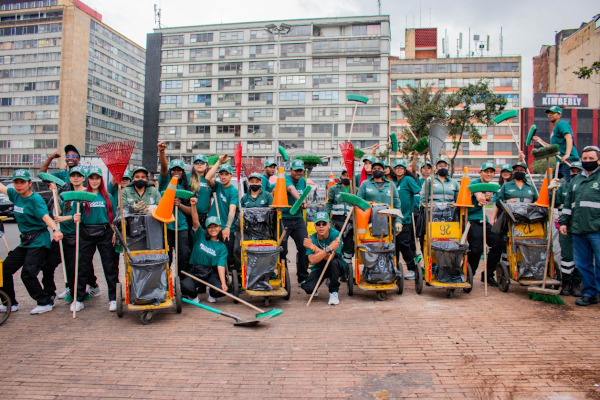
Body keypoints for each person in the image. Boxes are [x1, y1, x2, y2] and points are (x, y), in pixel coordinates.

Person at [0, 170, 63, 315]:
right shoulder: (15, 194)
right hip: (26, 242)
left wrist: (55, 230)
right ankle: (9, 302)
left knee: (27, 274)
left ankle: (44, 302)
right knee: (4, 270)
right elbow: (2, 187)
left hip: (39, 241)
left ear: (29, 183)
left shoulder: (35, 199)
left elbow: (45, 216)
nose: (19, 185)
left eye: (22, 182)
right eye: (16, 182)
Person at [71, 166, 118, 313]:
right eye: (92, 178)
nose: (94, 181)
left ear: (101, 180)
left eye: (97, 178)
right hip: (86, 233)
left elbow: (113, 218)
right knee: (83, 266)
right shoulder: (81, 195)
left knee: (110, 267)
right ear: (88, 179)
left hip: (104, 233)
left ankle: (113, 298)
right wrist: (75, 217)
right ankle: (78, 299)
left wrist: (115, 233)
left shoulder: (107, 196)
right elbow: (74, 215)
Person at [559, 146, 600, 306]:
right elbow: (568, 204)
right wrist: (563, 222)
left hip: (597, 228)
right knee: (583, 264)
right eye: (585, 159)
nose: (587, 161)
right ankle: (589, 294)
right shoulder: (576, 180)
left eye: (591, 158)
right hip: (578, 229)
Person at [46, 166, 87, 303]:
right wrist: (55, 194)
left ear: (83, 178)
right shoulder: (67, 195)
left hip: (76, 237)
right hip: (62, 235)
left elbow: (82, 217)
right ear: (70, 178)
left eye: (78, 175)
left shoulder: (86, 194)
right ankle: (49, 293)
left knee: (74, 267)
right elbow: (58, 213)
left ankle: (77, 295)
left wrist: (67, 218)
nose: (75, 178)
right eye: (73, 175)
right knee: (48, 264)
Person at [181, 198, 228, 303]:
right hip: (195, 271)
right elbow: (195, 221)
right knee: (184, 285)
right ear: (206, 228)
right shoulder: (200, 235)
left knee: (221, 289)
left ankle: (212, 294)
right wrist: (193, 206)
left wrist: (223, 283)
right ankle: (193, 297)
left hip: (210, 272)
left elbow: (220, 266)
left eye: (215, 226)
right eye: (210, 227)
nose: (213, 229)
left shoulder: (222, 247)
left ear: (220, 228)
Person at [467, 162, 503, 287]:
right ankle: (468, 275)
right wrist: (479, 196)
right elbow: (476, 192)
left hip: (484, 221)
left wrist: (487, 198)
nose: (488, 174)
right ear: (480, 172)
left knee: (498, 243)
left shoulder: (490, 186)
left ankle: (488, 275)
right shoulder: (475, 183)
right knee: (476, 248)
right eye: (486, 171)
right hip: (472, 220)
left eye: (491, 172)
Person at [158, 142, 191, 273]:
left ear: (182, 173)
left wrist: (179, 204)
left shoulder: (184, 189)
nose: (176, 172)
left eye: (179, 170)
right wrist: (162, 152)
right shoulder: (165, 182)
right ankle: (165, 283)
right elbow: (164, 169)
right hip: (166, 226)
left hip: (181, 226)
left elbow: (189, 210)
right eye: (174, 169)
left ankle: (182, 284)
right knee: (167, 256)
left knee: (183, 255)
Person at [301, 211, 343, 305]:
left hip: (335, 267)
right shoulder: (311, 238)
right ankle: (314, 287)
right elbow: (312, 260)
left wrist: (314, 247)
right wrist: (328, 249)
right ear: (314, 226)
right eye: (318, 224)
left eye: (324, 223)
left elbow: (330, 258)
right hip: (319, 267)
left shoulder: (336, 235)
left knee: (333, 262)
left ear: (329, 225)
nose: (321, 226)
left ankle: (333, 292)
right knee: (308, 289)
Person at [555, 161, 583, 296]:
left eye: (578, 171)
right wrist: (551, 191)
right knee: (567, 256)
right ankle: (566, 283)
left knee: (580, 256)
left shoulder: (584, 186)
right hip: (565, 226)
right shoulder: (563, 187)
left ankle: (576, 284)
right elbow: (554, 203)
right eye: (573, 171)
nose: (575, 173)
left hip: (581, 226)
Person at [205, 156, 238, 270]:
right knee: (212, 253)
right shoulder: (217, 186)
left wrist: (228, 227)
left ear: (231, 176)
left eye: (226, 174)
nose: (223, 177)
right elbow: (208, 177)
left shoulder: (233, 191)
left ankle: (229, 280)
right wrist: (219, 162)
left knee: (228, 256)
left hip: (226, 228)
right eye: (221, 174)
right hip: (213, 226)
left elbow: (232, 210)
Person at [280, 159, 310, 284]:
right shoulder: (286, 179)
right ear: (290, 170)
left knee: (305, 246)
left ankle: (302, 277)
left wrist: (304, 203)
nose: (298, 173)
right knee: (282, 249)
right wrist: (301, 201)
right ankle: (283, 277)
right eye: (296, 170)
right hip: (284, 218)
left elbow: (303, 194)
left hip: (297, 218)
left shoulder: (303, 181)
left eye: (300, 170)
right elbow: (292, 189)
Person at [532, 105, 580, 182]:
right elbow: (553, 148)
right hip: (560, 162)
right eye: (549, 113)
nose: (550, 115)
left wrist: (567, 154)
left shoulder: (562, 124)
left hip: (569, 160)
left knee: (572, 183)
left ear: (559, 115)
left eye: (553, 113)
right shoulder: (555, 129)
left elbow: (568, 137)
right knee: (552, 185)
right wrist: (540, 141)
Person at [357, 160, 402, 235]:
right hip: (369, 221)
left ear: (383, 170)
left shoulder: (391, 185)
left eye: (379, 168)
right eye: (374, 169)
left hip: (388, 221)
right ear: (371, 171)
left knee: (387, 245)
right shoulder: (365, 184)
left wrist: (398, 221)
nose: (377, 170)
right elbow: (358, 202)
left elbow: (397, 204)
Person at [393, 159, 421, 280]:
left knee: (405, 245)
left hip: (406, 220)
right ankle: (395, 267)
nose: (399, 170)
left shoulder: (408, 180)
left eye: (401, 168)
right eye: (397, 168)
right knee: (394, 246)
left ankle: (411, 268)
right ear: (394, 170)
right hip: (393, 220)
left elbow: (419, 192)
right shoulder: (392, 182)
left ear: (405, 170)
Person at [324, 170, 354, 275]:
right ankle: (333, 272)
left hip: (350, 222)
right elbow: (329, 203)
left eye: (348, 175)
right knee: (336, 244)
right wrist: (326, 217)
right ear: (341, 176)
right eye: (344, 175)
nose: (346, 177)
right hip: (336, 221)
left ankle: (346, 271)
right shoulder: (334, 189)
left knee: (349, 247)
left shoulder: (355, 189)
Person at [188, 153, 212, 229]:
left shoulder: (209, 179)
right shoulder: (188, 177)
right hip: (190, 215)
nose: (199, 164)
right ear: (193, 165)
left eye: (202, 162)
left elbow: (209, 200)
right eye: (197, 162)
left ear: (206, 165)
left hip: (204, 216)